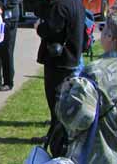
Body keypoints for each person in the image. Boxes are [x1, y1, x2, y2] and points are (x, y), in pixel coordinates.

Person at [47, 10, 117, 163]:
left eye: (103, 29)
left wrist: (65, 94)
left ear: (110, 37)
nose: (101, 33)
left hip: (98, 156)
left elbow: (75, 119)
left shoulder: (95, 73)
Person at [36, 0, 85, 136]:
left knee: (56, 99)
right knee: (63, 98)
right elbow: (41, 10)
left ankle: (58, 137)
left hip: (59, 59)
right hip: (72, 57)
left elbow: (51, 29)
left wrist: (39, 27)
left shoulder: (61, 4)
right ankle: (57, 134)